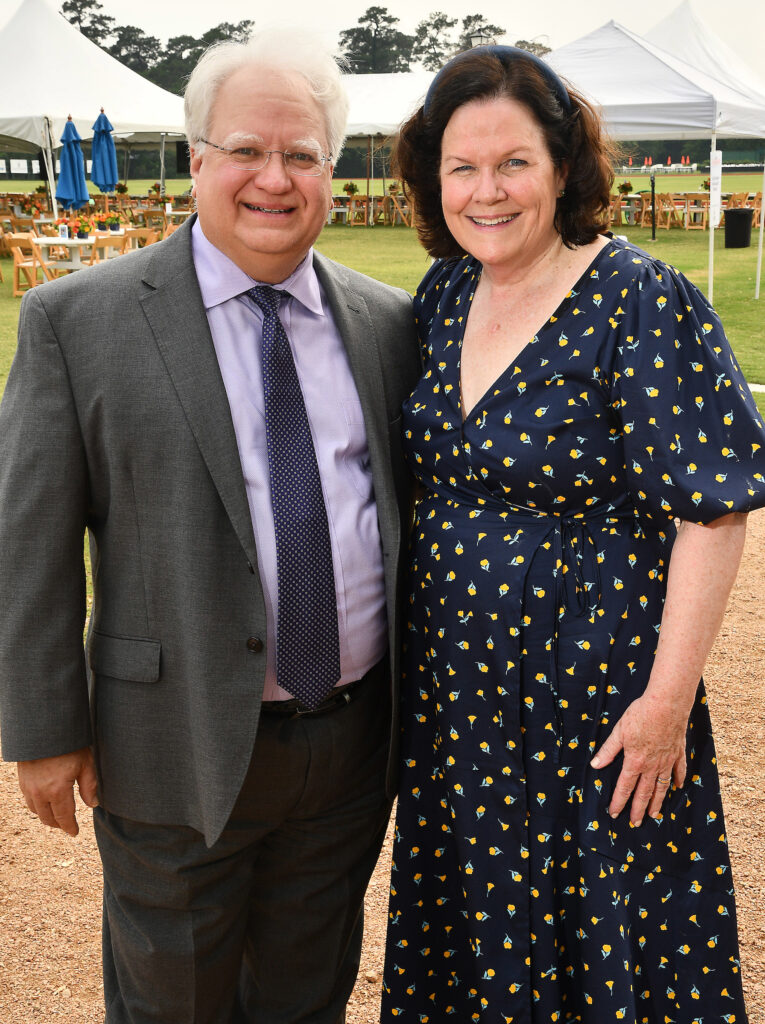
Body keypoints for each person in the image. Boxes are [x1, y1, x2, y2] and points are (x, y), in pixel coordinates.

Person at [0, 29, 420, 1024]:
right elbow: (32, 544)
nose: (274, 178)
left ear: (330, 169)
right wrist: (45, 731)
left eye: (302, 155)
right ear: (197, 159)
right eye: (246, 150)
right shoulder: (78, 322)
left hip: (351, 745)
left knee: (303, 995)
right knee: (173, 1004)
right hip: (168, 747)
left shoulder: (390, 323)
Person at [380, 45, 764, 1024]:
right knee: (476, 943)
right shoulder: (444, 296)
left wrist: (668, 701)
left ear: (563, 165)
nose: (486, 189)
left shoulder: (637, 296)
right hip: (459, 716)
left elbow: (716, 508)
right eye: (461, 165)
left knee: (602, 945)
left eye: (514, 161)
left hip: (593, 713)